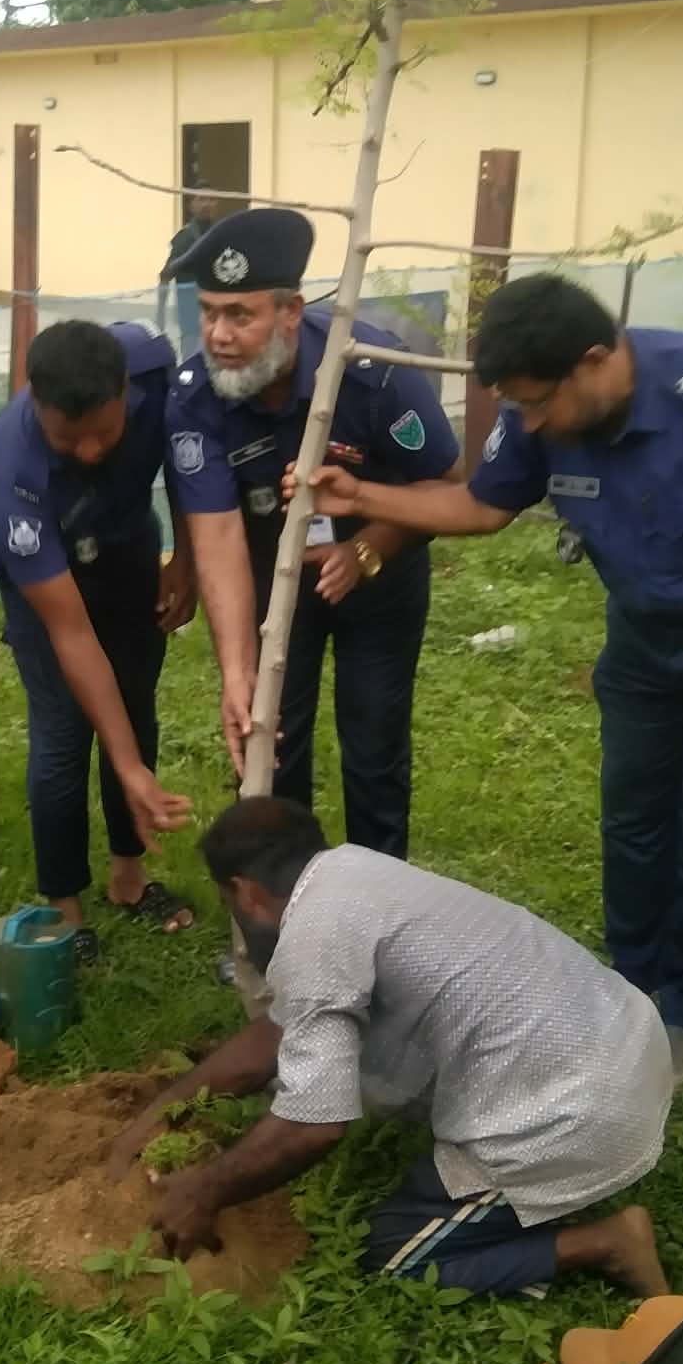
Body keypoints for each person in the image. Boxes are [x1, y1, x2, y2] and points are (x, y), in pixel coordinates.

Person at [300, 274, 683, 1084]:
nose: (530, 424)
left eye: (538, 405)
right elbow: (481, 505)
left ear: (595, 361)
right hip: (641, 642)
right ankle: (631, 985)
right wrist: (362, 494)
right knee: (633, 824)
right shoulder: (535, 405)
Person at [108, 797, 674, 1297]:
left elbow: (315, 1126)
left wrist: (203, 1192)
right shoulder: (352, 873)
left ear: (247, 893)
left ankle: (604, 1241)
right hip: (626, 1041)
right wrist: (166, 1105)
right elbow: (277, 1034)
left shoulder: (314, 936)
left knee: (398, 1249)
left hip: (582, 1110)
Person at [164, 207, 458, 1010]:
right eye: (210, 315)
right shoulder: (196, 397)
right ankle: (279, 939)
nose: (220, 335)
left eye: (241, 315)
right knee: (270, 754)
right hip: (272, 593)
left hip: (377, 580)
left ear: (290, 313)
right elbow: (217, 531)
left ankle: (382, 934)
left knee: (373, 753)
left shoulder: (371, 371)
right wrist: (237, 670)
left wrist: (370, 549)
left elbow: (440, 484)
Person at [0, 319, 198, 954]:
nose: (89, 452)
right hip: (50, 581)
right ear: (36, 404)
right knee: (63, 734)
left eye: (104, 433)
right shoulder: (14, 468)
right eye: (67, 439)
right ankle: (65, 909)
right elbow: (71, 633)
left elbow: (187, 458)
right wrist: (126, 766)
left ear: (125, 390)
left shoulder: (154, 368)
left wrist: (182, 557)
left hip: (130, 551)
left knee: (135, 705)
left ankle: (129, 877)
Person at [156, 194, 221, 353]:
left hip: (218, 316)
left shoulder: (221, 233)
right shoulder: (184, 237)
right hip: (191, 320)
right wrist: (160, 316)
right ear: (191, 205)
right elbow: (166, 275)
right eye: (201, 199)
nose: (207, 204)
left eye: (211, 199)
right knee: (191, 364)